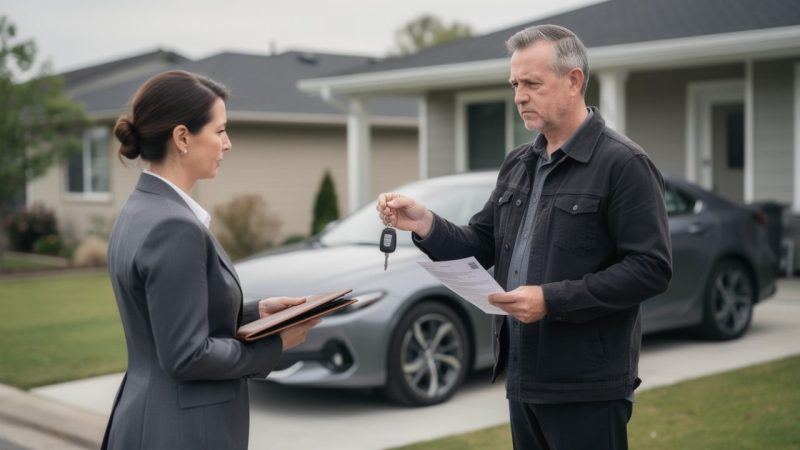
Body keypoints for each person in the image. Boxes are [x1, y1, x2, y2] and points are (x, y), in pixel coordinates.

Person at [377, 24, 672, 450]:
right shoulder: (518, 163)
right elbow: (481, 242)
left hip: (587, 387)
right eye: (515, 84)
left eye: (532, 83)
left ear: (574, 81)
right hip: (522, 379)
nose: (519, 96)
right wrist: (424, 222)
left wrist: (551, 300)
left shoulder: (624, 164)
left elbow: (650, 269)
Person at [102, 70, 318, 450]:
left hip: (149, 416)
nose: (227, 143)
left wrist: (255, 313)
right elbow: (187, 356)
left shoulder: (139, 209)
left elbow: (166, 319)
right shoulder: (173, 227)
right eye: (219, 131)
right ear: (182, 138)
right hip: (183, 432)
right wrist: (274, 345)